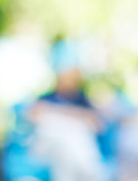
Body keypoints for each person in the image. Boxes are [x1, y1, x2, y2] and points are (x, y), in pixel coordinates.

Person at [26, 48, 109, 181]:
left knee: (70, 146)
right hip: (48, 148)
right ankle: (91, 172)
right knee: (67, 140)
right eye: (69, 73)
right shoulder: (46, 98)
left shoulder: (82, 100)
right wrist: (76, 115)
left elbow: (98, 124)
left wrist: (58, 112)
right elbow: (34, 115)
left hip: (71, 153)